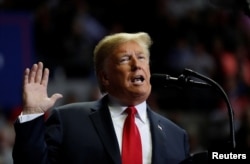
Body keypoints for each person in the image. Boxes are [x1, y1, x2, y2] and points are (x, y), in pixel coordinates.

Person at [12, 32, 190, 164]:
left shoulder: (176, 136)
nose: (137, 65)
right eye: (125, 59)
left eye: (142, 58)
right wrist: (32, 114)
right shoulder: (68, 121)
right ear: (105, 77)